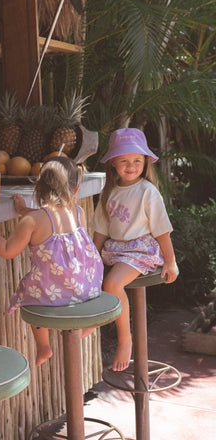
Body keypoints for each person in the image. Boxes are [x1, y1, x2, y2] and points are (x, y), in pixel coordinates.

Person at [0, 157, 103, 366]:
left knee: (29, 289)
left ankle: (43, 345)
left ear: (38, 188)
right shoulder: (77, 212)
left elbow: (7, 250)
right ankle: (86, 325)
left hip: (57, 292)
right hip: (88, 286)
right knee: (60, 283)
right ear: (75, 190)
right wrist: (23, 210)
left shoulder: (32, 221)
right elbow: (54, 220)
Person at [92, 128, 178, 372]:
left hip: (141, 248)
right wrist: (92, 259)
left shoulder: (147, 192)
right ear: (113, 164)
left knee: (112, 284)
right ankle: (94, 321)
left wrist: (170, 261)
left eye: (137, 161)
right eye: (124, 161)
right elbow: (100, 228)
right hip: (116, 248)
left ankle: (125, 339)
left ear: (145, 162)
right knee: (92, 278)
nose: (131, 166)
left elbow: (162, 229)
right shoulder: (108, 191)